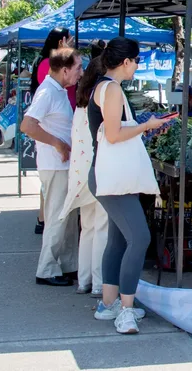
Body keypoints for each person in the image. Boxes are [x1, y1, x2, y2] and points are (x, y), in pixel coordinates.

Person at [90, 37, 174, 334]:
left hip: (109, 176)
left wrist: (143, 126)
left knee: (118, 241)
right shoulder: (111, 89)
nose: (138, 66)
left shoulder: (105, 87)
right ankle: (125, 310)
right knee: (139, 238)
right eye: (137, 61)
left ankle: (108, 303)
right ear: (125, 62)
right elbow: (113, 135)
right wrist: (146, 126)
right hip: (112, 178)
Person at [21, 47, 83, 287]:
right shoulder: (47, 92)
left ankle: (67, 266)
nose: (81, 72)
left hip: (62, 165)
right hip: (54, 165)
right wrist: (58, 144)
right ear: (65, 70)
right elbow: (28, 125)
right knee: (58, 218)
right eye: (78, 68)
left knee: (67, 218)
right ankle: (47, 269)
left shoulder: (57, 90)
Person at [59, 40, 108, 297]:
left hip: (80, 172)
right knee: (101, 227)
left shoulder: (80, 102)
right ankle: (99, 283)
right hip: (98, 170)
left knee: (88, 226)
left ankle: (84, 279)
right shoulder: (100, 102)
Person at [30, 27, 74, 234]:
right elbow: (31, 122)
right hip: (54, 132)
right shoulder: (49, 73)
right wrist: (57, 142)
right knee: (54, 191)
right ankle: (44, 219)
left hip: (58, 129)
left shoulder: (45, 64)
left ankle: (43, 219)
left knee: (53, 189)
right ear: (61, 41)